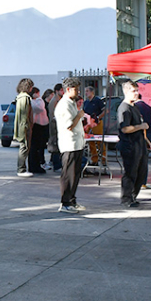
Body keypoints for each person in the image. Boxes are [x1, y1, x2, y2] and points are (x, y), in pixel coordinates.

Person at [117, 81, 150, 207]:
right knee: (130, 172)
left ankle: (133, 195)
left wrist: (146, 140)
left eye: (137, 91)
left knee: (141, 172)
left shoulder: (134, 107)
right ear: (126, 92)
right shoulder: (124, 108)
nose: (136, 93)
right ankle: (127, 198)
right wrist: (140, 126)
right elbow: (125, 128)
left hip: (139, 144)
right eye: (133, 91)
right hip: (129, 145)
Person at [56, 77, 86, 212]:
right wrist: (79, 116)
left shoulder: (72, 103)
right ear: (67, 89)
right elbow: (69, 125)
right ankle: (65, 203)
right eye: (76, 89)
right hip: (69, 144)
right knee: (69, 175)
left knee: (75, 175)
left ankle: (72, 200)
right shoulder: (64, 104)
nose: (78, 91)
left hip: (77, 143)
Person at [82, 86, 106, 168]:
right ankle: (94, 159)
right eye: (85, 91)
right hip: (88, 124)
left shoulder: (98, 101)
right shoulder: (85, 103)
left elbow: (105, 110)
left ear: (92, 92)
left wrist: (98, 117)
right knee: (90, 142)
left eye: (87, 91)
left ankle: (103, 159)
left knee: (99, 141)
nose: (86, 93)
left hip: (97, 123)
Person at [14, 78, 34, 177]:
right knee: (24, 147)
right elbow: (24, 114)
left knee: (24, 147)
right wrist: (27, 126)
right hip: (24, 126)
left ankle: (22, 168)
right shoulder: (25, 98)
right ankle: (21, 169)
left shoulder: (20, 97)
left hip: (23, 126)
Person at [29, 87, 49, 174]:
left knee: (39, 147)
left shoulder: (38, 101)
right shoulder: (34, 101)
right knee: (34, 147)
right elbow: (38, 109)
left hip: (41, 125)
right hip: (36, 125)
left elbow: (39, 108)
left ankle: (36, 164)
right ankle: (33, 166)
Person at [47, 83, 63, 172]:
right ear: (57, 91)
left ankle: (53, 161)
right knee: (55, 145)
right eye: (61, 90)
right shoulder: (55, 101)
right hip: (55, 126)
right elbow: (53, 115)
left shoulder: (59, 100)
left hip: (58, 126)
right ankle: (56, 165)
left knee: (57, 145)